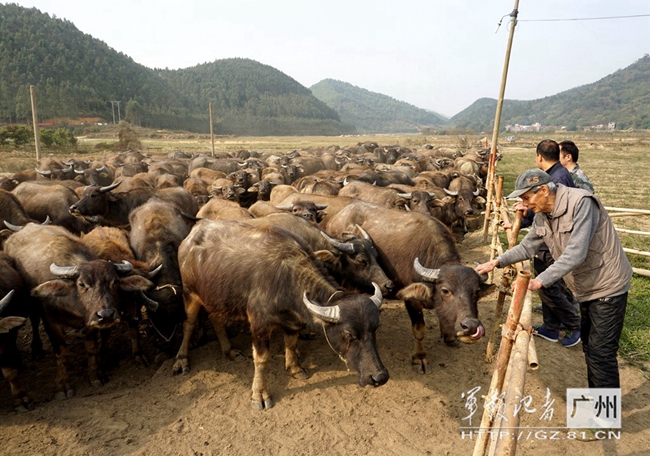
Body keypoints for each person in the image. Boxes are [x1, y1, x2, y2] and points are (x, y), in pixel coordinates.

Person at [476, 168, 632, 388]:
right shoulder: (543, 215)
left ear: (542, 190)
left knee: (601, 352)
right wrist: (497, 262)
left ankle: (604, 416)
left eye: (526, 197)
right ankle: (601, 405)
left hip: (607, 286)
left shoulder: (581, 203)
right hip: (586, 287)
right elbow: (528, 247)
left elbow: (576, 253)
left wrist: (539, 281)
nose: (525, 204)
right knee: (590, 346)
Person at [515, 140, 580, 347]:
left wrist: (526, 218)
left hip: (553, 242)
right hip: (547, 237)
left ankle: (576, 324)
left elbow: (550, 211)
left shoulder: (557, 178)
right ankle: (551, 328)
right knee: (546, 288)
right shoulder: (557, 174)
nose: (526, 202)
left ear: (539, 157)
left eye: (527, 197)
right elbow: (538, 213)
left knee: (549, 286)